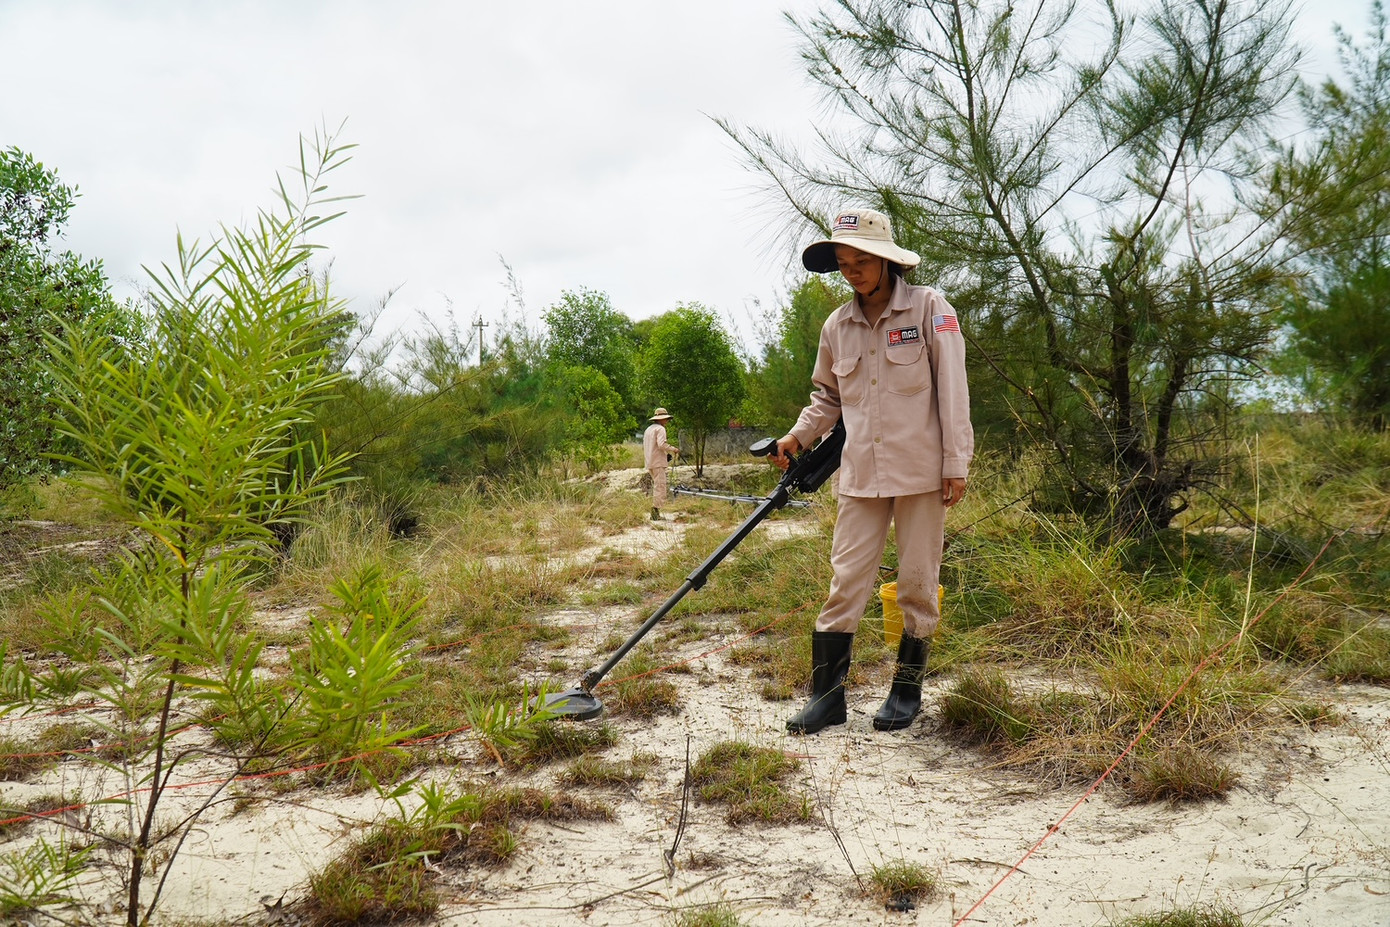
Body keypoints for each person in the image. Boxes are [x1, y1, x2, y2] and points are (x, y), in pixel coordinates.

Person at [770, 208, 973, 734]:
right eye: (844, 263)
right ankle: (827, 698)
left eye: (862, 260)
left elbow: (953, 389)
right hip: (860, 474)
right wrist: (796, 436)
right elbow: (827, 398)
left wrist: (956, 462)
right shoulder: (837, 326)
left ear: (886, 260)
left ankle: (906, 692)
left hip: (922, 472)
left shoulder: (929, 308)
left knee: (917, 582)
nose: (853, 271)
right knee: (846, 580)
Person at [643, 408, 679, 521]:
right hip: (658, 462)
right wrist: (673, 449)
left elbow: (653, 446)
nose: (667, 421)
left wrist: (665, 454)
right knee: (660, 487)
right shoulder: (660, 429)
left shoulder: (649, 429)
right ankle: (655, 513)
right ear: (661, 419)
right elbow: (661, 444)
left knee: (657, 486)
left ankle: (655, 512)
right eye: (666, 419)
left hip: (650, 461)